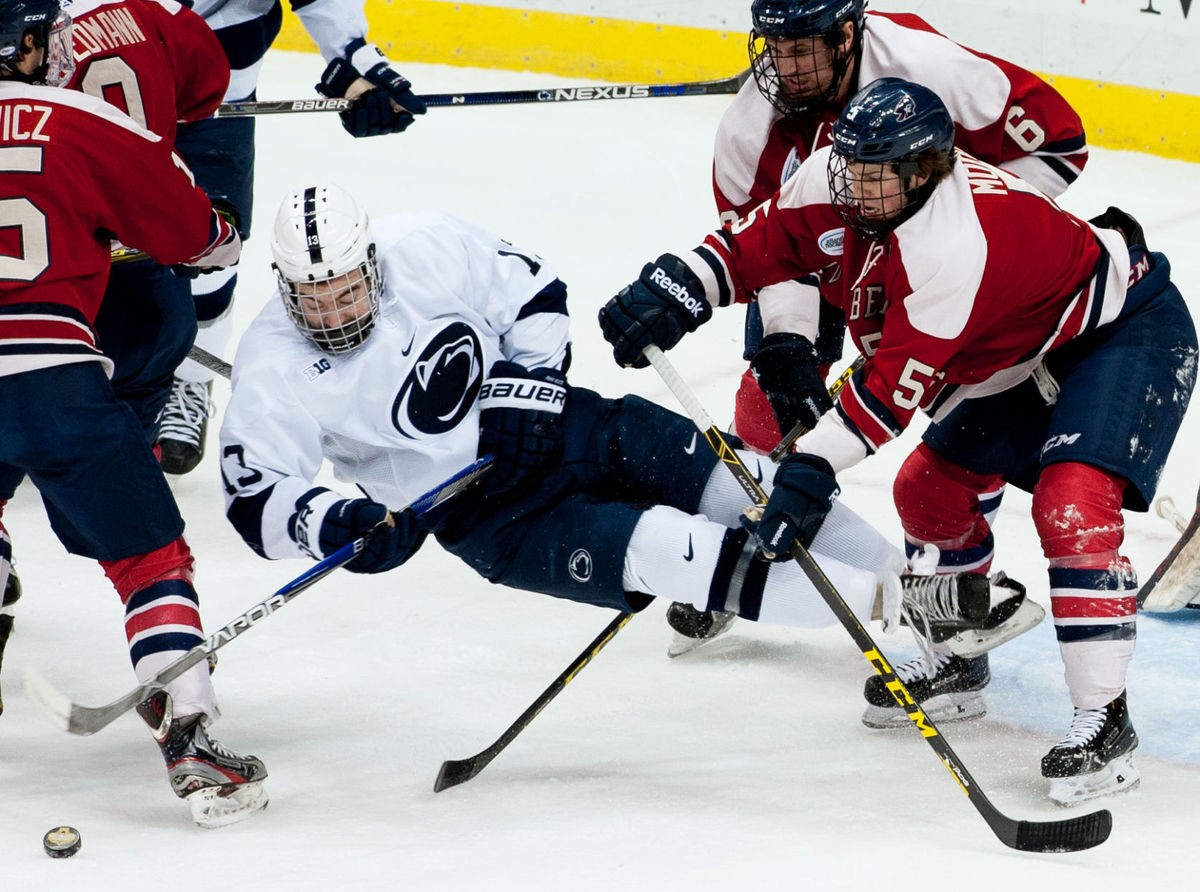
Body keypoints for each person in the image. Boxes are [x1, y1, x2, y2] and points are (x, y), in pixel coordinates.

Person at [597, 77, 1196, 804]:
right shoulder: (836, 173)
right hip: (1008, 346)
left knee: (1071, 505)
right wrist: (675, 287)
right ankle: (955, 661)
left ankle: (1105, 721)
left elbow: (885, 398)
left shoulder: (954, 247)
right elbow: (755, 247)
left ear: (927, 170)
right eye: (851, 165)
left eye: (877, 175)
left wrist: (808, 472)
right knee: (930, 490)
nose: (854, 187)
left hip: (1119, 333)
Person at [218, 183, 1033, 716]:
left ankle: (933, 626)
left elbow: (533, 290)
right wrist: (336, 522)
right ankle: (905, 612)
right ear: (286, 286)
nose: (334, 307)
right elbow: (257, 497)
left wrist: (525, 383)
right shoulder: (272, 365)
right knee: (678, 553)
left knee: (748, 490)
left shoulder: (421, 245)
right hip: (494, 518)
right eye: (313, 295)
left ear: (370, 262)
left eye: (348, 286)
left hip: (565, 424)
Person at [671, 0, 1088, 662]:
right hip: (827, 247)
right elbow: (766, 251)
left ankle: (960, 608)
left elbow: (1061, 142)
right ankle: (738, 539)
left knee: (949, 422)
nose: (786, 64)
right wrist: (788, 345)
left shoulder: (929, 69)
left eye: (802, 45)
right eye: (774, 46)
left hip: (940, 254)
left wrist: (955, 245)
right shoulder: (748, 135)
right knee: (765, 402)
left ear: (845, 35)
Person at [0, 0, 267, 826]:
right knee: (151, 557)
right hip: (55, 375)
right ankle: (189, 735)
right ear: (34, 43)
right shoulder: (76, 119)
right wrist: (215, 230)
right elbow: (198, 238)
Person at [158, 0, 426, 476]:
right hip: (82, 81)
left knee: (209, 250)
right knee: (57, 239)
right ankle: (52, 378)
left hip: (217, 88)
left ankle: (191, 380)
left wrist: (353, 60)